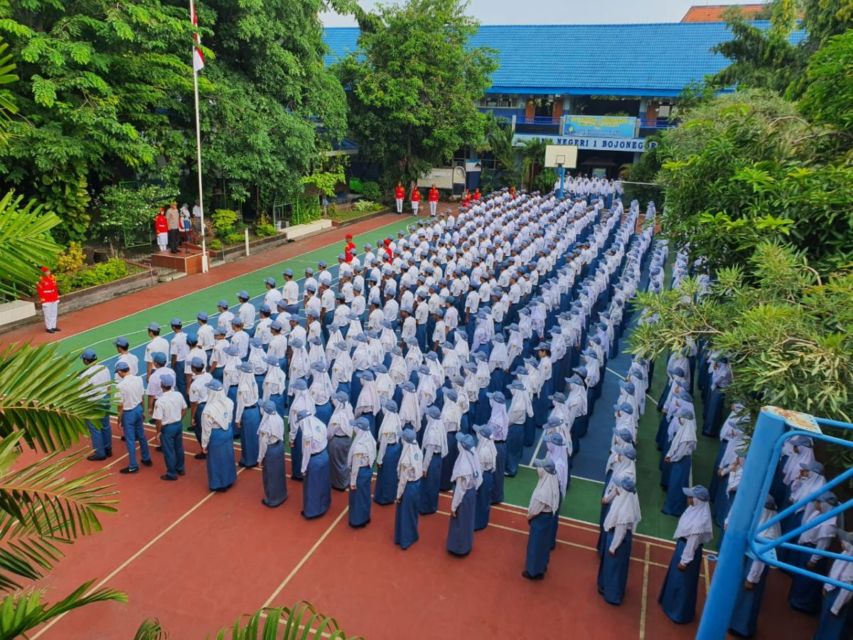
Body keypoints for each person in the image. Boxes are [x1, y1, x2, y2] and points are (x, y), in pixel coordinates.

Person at [658, 485, 713, 624]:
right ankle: (671, 604)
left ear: (698, 500)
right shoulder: (695, 509)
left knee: (682, 582)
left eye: (691, 497)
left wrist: (684, 561)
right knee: (678, 580)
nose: (688, 499)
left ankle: (678, 612)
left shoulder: (700, 521)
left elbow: (693, 543)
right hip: (683, 547)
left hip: (687, 552)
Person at [598, 475, 641, 605]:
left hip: (617, 541)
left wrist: (613, 547)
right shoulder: (624, 500)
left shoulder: (625, 509)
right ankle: (606, 587)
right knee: (612, 567)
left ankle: (612, 594)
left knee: (614, 568)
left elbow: (621, 530)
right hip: (616, 537)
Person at [523, 458, 561, 580]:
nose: (538, 469)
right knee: (543, 545)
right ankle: (541, 566)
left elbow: (535, 509)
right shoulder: (553, 480)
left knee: (535, 545)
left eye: (540, 467)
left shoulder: (543, 491)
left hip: (540, 519)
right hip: (548, 519)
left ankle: (533, 571)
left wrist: (529, 516)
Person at [814, 529, 853, 640]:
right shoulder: (845, 554)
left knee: (832, 626)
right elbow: (835, 570)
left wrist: (836, 608)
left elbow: (848, 589)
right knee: (824, 621)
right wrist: (827, 585)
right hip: (832, 589)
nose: (842, 542)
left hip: (839, 597)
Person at [199, 379, 237, 492]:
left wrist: (204, 444)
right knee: (227, 457)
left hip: (216, 435)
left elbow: (206, 430)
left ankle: (219, 484)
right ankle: (229, 479)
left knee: (215, 461)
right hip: (228, 432)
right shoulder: (229, 402)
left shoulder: (208, 410)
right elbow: (230, 418)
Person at [447, 432, 481, 557]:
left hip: (464, 496)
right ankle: (467, 544)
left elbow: (460, 491)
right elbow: (479, 478)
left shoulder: (463, 466)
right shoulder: (473, 456)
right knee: (468, 520)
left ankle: (458, 547)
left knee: (459, 521)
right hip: (471, 493)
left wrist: (453, 507)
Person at [114, 361, 151, 474]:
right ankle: (146, 458)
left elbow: (120, 405)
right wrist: (143, 411)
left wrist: (119, 418)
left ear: (120, 372)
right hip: (138, 409)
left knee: (130, 440)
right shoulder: (138, 379)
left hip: (128, 412)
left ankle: (133, 465)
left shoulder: (120, 386)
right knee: (141, 435)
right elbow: (141, 396)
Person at [152, 372, 187, 481]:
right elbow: (184, 409)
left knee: (169, 451)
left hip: (167, 428)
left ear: (162, 385)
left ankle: (171, 473)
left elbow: (158, 420)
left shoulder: (160, 401)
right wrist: (179, 419)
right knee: (179, 448)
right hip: (178, 424)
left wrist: (158, 432)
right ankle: (180, 468)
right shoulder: (178, 395)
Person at [297, 409, 331, 519]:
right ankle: (325, 504)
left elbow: (306, 453)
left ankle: (313, 511)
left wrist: (303, 468)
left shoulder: (307, 434)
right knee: (324, 482)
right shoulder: (320, 424)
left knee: (312, 487)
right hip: (324, 455)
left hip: (314, 460)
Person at [79, 349, 112, 461]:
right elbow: (109, 386)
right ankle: (108, 448)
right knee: (105, 425)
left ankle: (100, 452)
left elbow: (81, 393)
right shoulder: (105, 368)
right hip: (105, 399)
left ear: (86, 360)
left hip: (93, 403)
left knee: (95, 429)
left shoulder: (85, 375)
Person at [394, 427, 423, 550]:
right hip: (417, 485)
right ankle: (413, 534)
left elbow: (403, 480)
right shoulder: (417, 450)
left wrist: (398, 496)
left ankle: (405, 539)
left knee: (405, 514)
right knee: (412, 512)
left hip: (408, 487)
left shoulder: (406, 458)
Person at [258, 400, 287, 507]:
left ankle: (273, 499)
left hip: (270, 451)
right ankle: (282, 494)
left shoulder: (265, 427)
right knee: (279, 473)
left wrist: (260, 459)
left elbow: (263, 445)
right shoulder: (278, 418)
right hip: (279, 447)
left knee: (270, 476)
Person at [348, 416, 376, 528]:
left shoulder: (359, 447)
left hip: (359, 473)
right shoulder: (370, 439)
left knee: (357, 498)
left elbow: (355, 467)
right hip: (368, 470)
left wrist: (352, 482)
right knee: (365, 495)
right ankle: (365, 516)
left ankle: (357, 520)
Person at [419, 405, 446, 515]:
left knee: (428, 484)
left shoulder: (432, 433)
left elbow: (429, 453)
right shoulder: (439, 427)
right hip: (437, 459)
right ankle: (432, 505)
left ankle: (425, 507)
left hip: (431, 460)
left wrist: (424, 468)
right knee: (434, 484)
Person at [326, 390, 354, 491]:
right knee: (346, 462)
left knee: (336, 463)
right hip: (348, 440)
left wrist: (328, 439)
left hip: (337, 441)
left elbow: (330, 432)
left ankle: (339, 484)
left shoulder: (336, 417)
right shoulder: (349, 409)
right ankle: (346, 480)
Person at [235, 361, 261, 468]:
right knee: (254, 437)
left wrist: (237, 419)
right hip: (255, 411)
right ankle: (256, 457)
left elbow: (241, 404)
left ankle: (248, 461)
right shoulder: (253, 382)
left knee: (246, 437)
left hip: (247, 412)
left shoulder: (243, 387)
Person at [473, 424, 496, 531]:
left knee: (480, 500)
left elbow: (479, 469)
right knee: (485, 499)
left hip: (482, 476)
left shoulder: (482, 451)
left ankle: (477, 523)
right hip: (488, 476)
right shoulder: (490, 445)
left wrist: (475, 485)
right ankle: (483, 521)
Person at [36, 266, 60, 333]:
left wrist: (56, 296)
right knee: (48, 313)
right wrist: (43, 299)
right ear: (43, 272)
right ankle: (48, 327)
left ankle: (53, 326)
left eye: (49, 271)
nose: (48, 272)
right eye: (46, 271)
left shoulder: (53, 277)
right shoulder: (40, 279)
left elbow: (55, 287)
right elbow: (39, 290)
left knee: (54, 312)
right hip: (46, 297)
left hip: (53, 296)